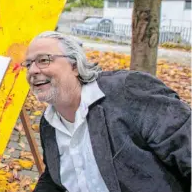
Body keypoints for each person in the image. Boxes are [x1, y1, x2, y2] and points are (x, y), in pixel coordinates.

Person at [21, 31, 191, 192]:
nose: (33, 71)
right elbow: (54, 176)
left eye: (43, 60)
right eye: (28, 64)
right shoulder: (48, 124)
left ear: (74, 65)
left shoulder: (128, 90)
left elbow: (186, 148)